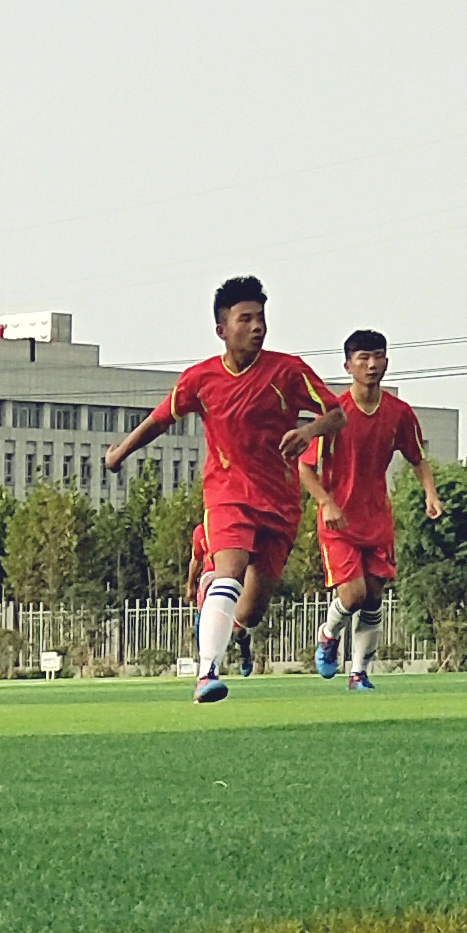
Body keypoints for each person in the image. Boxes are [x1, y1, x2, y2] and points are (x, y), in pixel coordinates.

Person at [102, 273, 330, 705]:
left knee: (252, 609)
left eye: (261, 318)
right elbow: (159, 419)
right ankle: (206, 672)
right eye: (246, 319)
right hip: (227, 494)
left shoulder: (289, 371)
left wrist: (311, 429)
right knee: (228, 572)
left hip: (280, 502)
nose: (258, 327)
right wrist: (120, 453)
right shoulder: (200, 379)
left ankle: (226, 624)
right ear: (222, 329)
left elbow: (336, 415)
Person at [295, 328, 439, 691]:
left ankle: (359, 673)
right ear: (348, 365)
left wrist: (430, 495)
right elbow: (304, 466)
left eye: (377, 357)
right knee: (353, 595)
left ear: (386, 362)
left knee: (374, 597)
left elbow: (418, 458)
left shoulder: (399, 413)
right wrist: (325, 502)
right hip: (338, 519)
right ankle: (328, 635)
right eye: (363, 358)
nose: (372, 364)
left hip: (377, 518)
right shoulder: (334, 414)